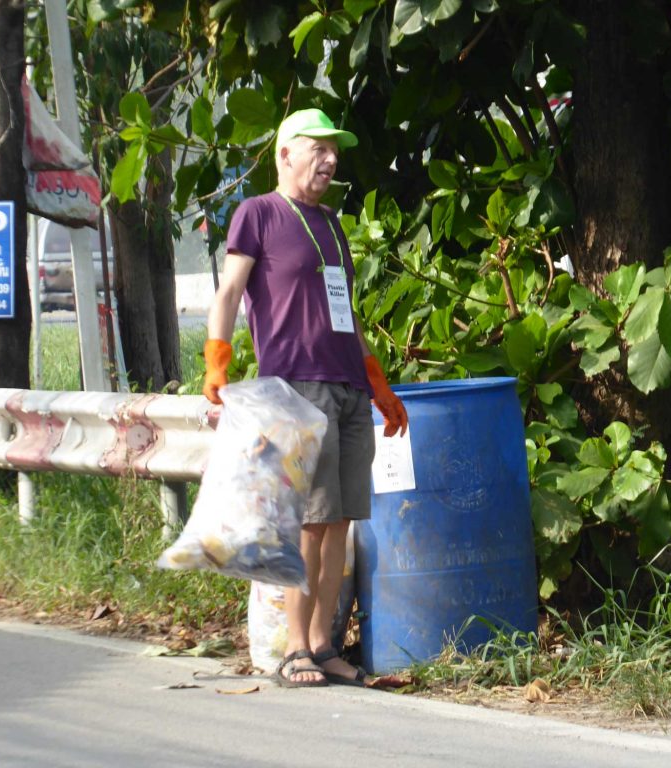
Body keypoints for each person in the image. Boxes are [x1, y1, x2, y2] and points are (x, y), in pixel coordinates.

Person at [201, 108, 408, 688]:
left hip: (346, 389)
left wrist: (377, 382)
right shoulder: (258, 214)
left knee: (341, 522)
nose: (330, 159)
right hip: (298, 389)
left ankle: (324, 644)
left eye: (334, 151)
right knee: (309, 526)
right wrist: (218, 357)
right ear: (285, 154)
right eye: (318, 148)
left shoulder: (332, 224)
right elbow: (229, 290)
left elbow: (344, 312)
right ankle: (294, 649)